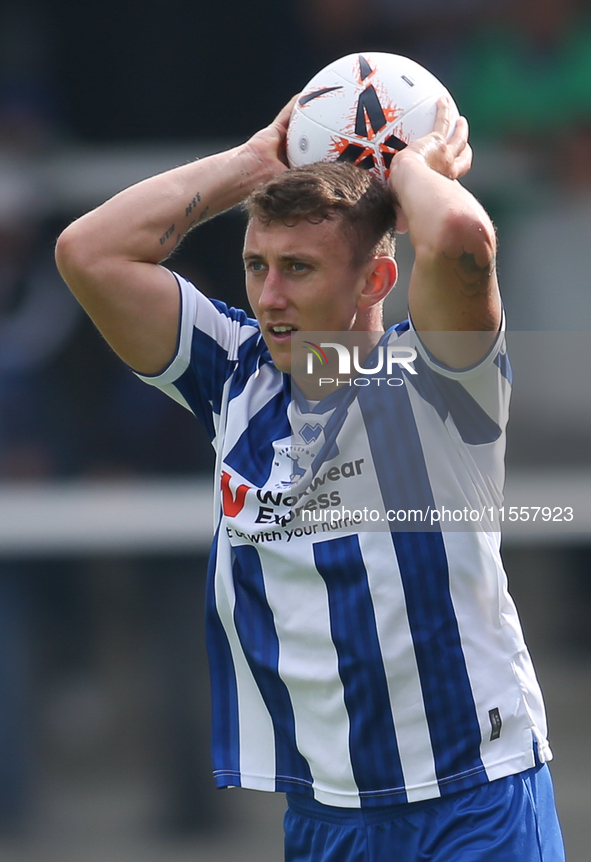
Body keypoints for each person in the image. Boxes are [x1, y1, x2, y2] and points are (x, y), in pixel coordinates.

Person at [55, 89, 565, 860]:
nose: (268, 296)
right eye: (256, 265)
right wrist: (251, 164)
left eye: (297, 268)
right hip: (326, 817)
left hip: (474, 801)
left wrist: (414, 170)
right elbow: (88, 252)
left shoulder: (437, 378)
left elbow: (460, 235)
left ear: (375, 282)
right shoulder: (234, 373)